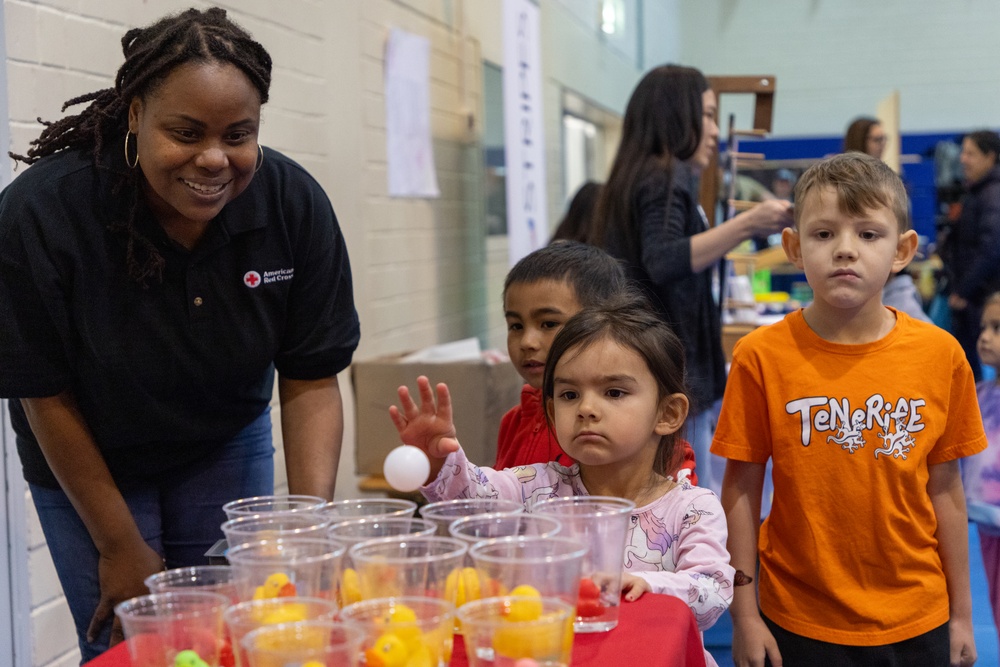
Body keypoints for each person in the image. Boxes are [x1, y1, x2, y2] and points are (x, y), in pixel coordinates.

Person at [0, 8, 359, 660]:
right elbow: (42, 392)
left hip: (223, 439)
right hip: (92, 450)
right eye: (186, 132)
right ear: (135, 114)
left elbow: (310, 375)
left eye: (238, 134)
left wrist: (310, 532)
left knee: (235, 636)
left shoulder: (292, 204)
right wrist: (118, 545)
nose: (215, 158)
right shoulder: (45, 212)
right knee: (130, 645)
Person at [713, 152, 985, 667]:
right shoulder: (761, 357)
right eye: (823, 234)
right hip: (797, 615)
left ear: (902, 250)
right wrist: (745, 615)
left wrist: (963, 616)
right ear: (793, 246)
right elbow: (741, 489)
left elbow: (947, 490)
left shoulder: (941, 355)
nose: (845, 251)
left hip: (917, 612)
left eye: (868, 234)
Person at [390, 297, 734, 667]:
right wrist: (441, 460)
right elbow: (472, 498)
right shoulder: (536, 487)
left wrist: (650, 584)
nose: (586, 408)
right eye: (569, 395)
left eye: (614, 392)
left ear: (667, 414)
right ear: (552, 412)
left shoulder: (692, 507)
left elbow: (712, 590)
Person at [586, 64, 793, 495]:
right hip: (667, 371)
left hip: (657, 366)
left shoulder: (642, 176)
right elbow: (663, 259)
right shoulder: (664, 177)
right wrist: (747, 224)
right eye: (708, 115)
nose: (715, 132)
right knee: (687, 493)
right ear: (676, 116)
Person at [496, 241, 697, 479]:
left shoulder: (656, 446)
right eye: (516, 326)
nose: (527, 341)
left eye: (548, 323)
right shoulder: (514, 420)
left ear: (602, 320)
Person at [944, 130, 1000, 380]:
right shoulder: (977, 192)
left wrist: (963, 291)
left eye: (971, 153)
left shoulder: (993, 195)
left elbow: (992, 248)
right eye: (963, 153)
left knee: (981, 368)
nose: (963, 159)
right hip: (973, 296)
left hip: (979, 297)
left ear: (990, 157)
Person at [964, 291, 1000, 643]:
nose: (985, 336)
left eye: (998, 327)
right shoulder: (978, 393)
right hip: (987, 525)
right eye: (984, 327)